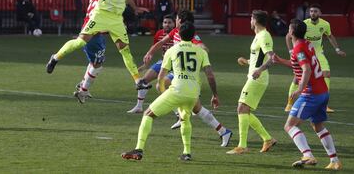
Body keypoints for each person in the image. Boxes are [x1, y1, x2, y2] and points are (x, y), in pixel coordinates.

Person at [46, 0, 149, 91]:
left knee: (125, 51)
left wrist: (134, 7)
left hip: (117, 18)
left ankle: (138, 81)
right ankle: (55, 58)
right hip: (100, 14)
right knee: (80, 42)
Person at [122, 22, 220, 161]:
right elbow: (210, 75)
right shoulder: (201, 51)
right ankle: (186, 153)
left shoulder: (172, 50)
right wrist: (215, 95)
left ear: (179, 34)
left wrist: (163, 93)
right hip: (193, 93)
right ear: (193, 35)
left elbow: (161, 76)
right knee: (185, 118)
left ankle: (139, 149)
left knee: (148, 114)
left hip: (177, 90)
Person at [142, 9, 232, 147]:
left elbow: (202, 46)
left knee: (163, 86)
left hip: (187, 78)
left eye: (177, 18)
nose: (175, 20)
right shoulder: (175, 32)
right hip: (181, 77)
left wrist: (200, 48)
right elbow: (160, 43)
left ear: (181, 21)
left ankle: (179, 118)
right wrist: (149, 52)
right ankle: (223, 131)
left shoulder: (192, 36)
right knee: (197, 109)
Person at [274, 19, 342, 170]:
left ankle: (308, 155)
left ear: (291, 32)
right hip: (323, 91)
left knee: (290, 125)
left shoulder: (298, 48)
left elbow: (307, 69)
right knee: (318, 126)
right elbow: (300, 64)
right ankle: (334, 161)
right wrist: (279, 60)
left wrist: (299, 89)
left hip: (311, 94)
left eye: (289, 29)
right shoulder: (307, 44)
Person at [226, 10, 277, 155]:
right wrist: (247, 62)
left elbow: (271, 58)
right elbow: (259, 58)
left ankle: (242, 146)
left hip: (258, 78)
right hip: (255, 75)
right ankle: (267, 139)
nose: (250, 21)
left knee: (241, 108)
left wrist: (259, 70)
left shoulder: (264, 35)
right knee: (244, 110)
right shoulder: (258, 36)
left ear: (255, 20)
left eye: (251, 18)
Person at [285, 4, 346, 112]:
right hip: (305, 52)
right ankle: (289, 103)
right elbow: (288, 36)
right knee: (297, 78)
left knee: (326, 74)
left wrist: (337, 49)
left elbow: (330, 36)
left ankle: (324, 105)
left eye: (315, 11)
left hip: (318, 53)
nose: (313, 13)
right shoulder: (304, 24)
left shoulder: (325, 24)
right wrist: (291, 51)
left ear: (320, 13)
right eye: (311, 11)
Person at [127, 14, 175, 113]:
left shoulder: (178, 35)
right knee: (143, 81)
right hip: (164, 62)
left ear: (174, 24)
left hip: (176, 65)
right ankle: (139, 107)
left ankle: (177, 111)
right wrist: (146, 63)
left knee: (163, 85)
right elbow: (155, 47)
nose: (167, 25)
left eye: (169, 23)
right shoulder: (159, 34)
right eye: (165, 22)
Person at [73, 0, 106, 103]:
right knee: (98, 65)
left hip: (91, 32)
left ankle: (83, 85)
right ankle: (83, 91)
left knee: (94, 62)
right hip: (94, 35)